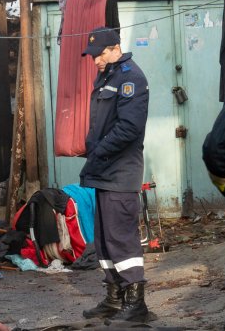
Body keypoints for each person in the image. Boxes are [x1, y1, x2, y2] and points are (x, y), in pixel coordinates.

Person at [78, 27, 150, 323]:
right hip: (104, 172)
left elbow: (129, 129)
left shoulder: (131, 77)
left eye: (100, 54)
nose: (95, 60)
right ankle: (114, 297)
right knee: (105, 240)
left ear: (115, 48)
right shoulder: (107, 76)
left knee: (122, 238)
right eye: (93, 55)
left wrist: (98, 150)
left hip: (120, 171)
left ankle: (136, 303)